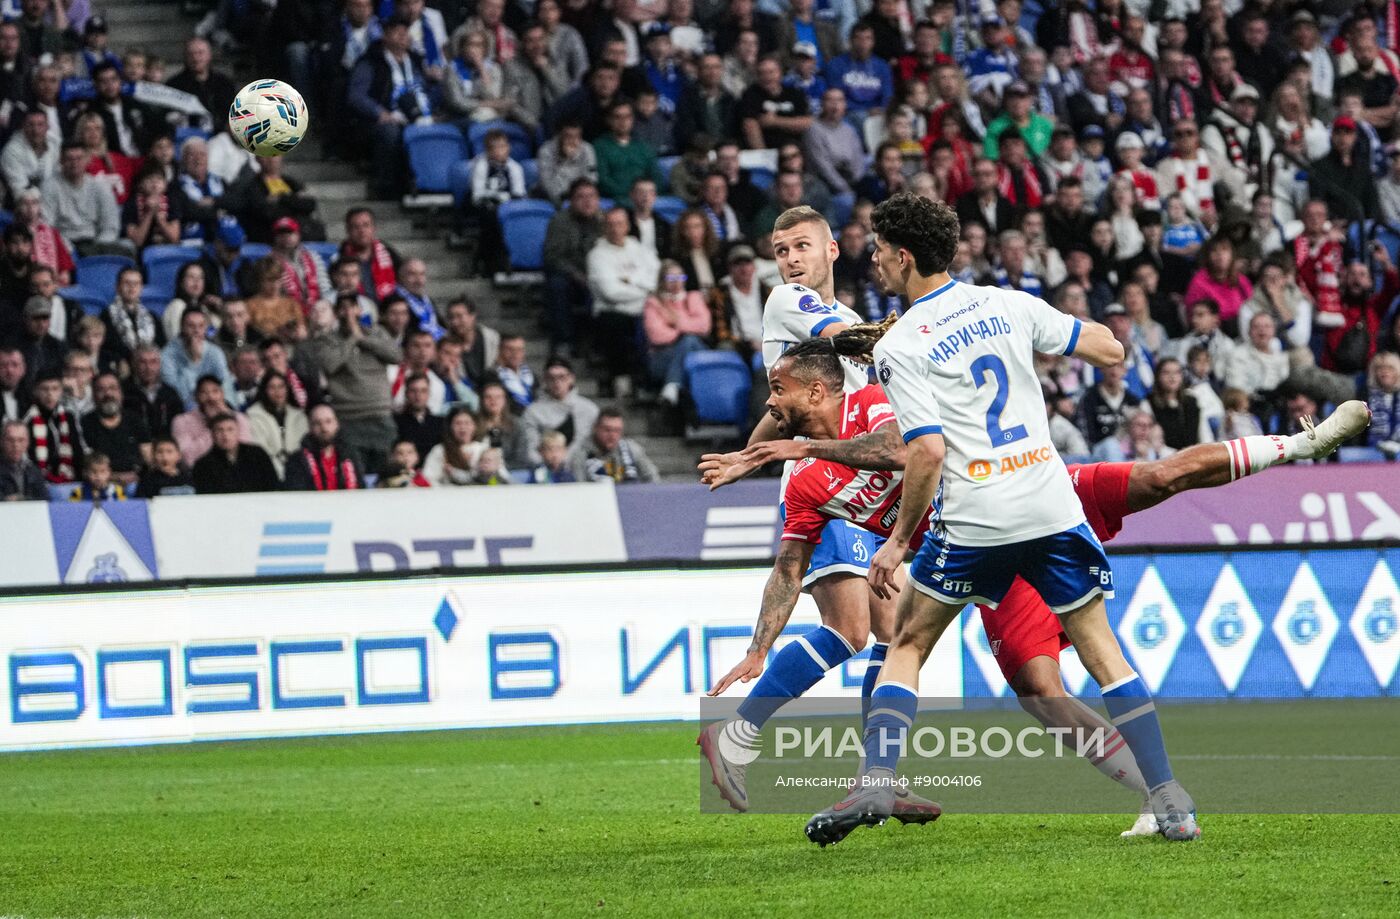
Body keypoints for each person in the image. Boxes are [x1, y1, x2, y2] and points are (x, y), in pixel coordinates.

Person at [790, 194, 1208, 845]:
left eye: (876, 251)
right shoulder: (1007, 302)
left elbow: (925, 451)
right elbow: (1106, 348)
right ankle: (1169, 796)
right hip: (1048, 504)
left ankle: (876, 776)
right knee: (1103, 651)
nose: (873, 262)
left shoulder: (901, 342)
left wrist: (899, 539)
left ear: (903, 256)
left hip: (978, 516)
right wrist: (1095, 340)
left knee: (906, 644)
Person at [302, 293, 401, 474]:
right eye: (342, 308)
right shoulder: (327, 340)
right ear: (336, 313)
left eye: (352, 307)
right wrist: (352, 339)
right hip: (348, 417)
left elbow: (396, 356)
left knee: (387, 471)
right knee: (355, 471)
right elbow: (330, 365)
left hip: (379, 414)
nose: (348, 312)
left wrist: (362, 338)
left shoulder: (377, 332)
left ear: (360, 310)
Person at [587, 206, 660, 395]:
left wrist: (629, 281)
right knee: (616, 324)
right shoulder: (597, 255)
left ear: (627, 226)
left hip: (646, 309)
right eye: (610, 224)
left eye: (619, 224)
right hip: (613, 312)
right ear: (604, 228)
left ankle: (655, 381)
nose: (615, 229)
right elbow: (610, 293)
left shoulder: (641, 250)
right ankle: (622, 379)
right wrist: (644, 290)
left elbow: (657, 279)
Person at [543, 178, 603, 358]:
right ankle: (564, 341)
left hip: (598, 274)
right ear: (572, 200)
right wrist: (576, 275)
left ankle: (598, 344)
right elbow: (553, 257)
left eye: (592, 196)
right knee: (557, 285)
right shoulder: (560, 221)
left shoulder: (605, 221)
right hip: (569, 276)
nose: (587, 201)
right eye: (581, 197)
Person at [643, 259, 711, 405]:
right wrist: (685, 329)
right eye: (671, 278)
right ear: (662, 281)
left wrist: (676, 323)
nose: (677, 282)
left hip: (694, 352)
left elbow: (704, 326)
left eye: (680, 277)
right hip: (663, 356)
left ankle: (672, 386)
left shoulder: (693, 297)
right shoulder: (653, 303)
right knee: (688, 340)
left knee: (689, 341)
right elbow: (657, 336)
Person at [41, 142, 122, 256]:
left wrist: (98, 247)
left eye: (79, 158)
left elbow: (111, 226)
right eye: (69, 159)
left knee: (128, 248)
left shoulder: (99, 187)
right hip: (64, 243)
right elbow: (47, 224)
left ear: (87, 160)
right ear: (61, 160)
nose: (74, 163)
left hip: (95, 242)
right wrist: (67, 248)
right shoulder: (50, 186)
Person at [519, 357, 598, 465]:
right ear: (545, 380)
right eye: (551, 378)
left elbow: (587, 445)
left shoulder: (589, 410)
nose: (557, 382)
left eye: (562, 377)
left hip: (582, 469)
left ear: (571, 378)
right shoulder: (532, 412)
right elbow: (531, 448)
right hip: (544, 471)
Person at [80, 372, 151, 486]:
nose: (108, 394)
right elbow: (85, 462)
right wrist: (114, 477)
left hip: (137, 483)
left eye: (113, 388)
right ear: (93, 395)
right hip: (99, 483)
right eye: (101, 390)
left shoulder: (135, 420)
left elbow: (148, 457)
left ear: (121, 392)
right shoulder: (85, 423)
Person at [172, 374, 253, 467]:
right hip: (200, 475)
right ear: (196, 397)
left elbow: (245, 453)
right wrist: (213, 426)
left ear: (222, 394)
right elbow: (188, 458)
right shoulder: (182, 421)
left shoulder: (239, 418)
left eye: (215, 391)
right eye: (204, 392)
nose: (211, 397)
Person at [160, 309, 232, 409]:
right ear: (182, 328)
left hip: (214, 407)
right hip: (183, 410)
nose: (196, 331)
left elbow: (226, 386)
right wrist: (194, 361)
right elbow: (177, 395)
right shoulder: (167, 354)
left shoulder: (215, 352)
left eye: (201, 326)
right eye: (191, 326)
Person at [192, 413, 279, 494]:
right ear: (212, 434)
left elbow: (272, 484)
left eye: (230, 429)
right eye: (219, 430)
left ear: (238, 432)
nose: (225, 435)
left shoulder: (257, 454)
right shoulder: (203, 465)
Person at [283, 404, 364, 491]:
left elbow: (361, 489)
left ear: (336, 424)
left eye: (328, 421)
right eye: (317, 423)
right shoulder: (297, 460)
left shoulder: (350, 455)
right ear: (310, 427)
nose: (324, 428)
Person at [22, 369, 83, 483]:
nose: (50, 394)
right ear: (36, 391)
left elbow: (78, 452)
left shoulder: (69, 418)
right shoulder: (28, 419)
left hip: (69, 481)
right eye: (45, 389)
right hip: (38, 482)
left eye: (55, 389)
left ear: (61, 391)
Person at [568, 408, 659, 483]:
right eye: (607, 430)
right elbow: (579, 487)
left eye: (617, 430)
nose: (612, 435)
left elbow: (652, 477)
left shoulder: (631, 449)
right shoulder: (580, 454)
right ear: (595, 428)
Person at [246, 371, 308, 479]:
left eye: (281, 386)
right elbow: (260, 450)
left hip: (298, 470)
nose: (277, 391)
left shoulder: (299, 416)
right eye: (272, 387)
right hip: (266, 471)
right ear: (265, 390)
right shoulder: (254, 415)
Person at [123, 344, 183, 440]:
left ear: (159, 364)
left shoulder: (170, 394)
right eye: (143, 362)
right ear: (133, 364)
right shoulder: (123, 392)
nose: (148, 368)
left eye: (153, 362)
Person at [422, 405, 484, 485]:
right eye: (458, 423)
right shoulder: (440, 450)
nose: (463, 427)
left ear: (474, 426)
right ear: (450, 427)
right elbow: (428, 479)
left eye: (467, 423)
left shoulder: (483, 449)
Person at [477, 380, 529, 469]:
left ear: (505, 400)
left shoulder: (516, 424)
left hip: (510, 472)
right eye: (488, 397)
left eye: (498, 397)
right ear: (482, 400)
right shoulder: (473, 423)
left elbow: (521, 458)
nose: (493, 400)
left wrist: (499, 467)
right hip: (479, 471)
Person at [393, 371, 443, 464]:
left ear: (429, 394)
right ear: (406, 393)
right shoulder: (395, 422)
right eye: (414, 391)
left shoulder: (440, 423)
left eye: (423, 391)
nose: (418, 395)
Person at [0, 418, 47, 499]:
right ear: (2, 442)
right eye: (10, 440)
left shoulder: (34, 471)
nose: (16, 445)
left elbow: (45, 501)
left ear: (27, 442)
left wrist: (22, 500)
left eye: (21, 440)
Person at [493, 333, 535, 411]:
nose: (515, 354)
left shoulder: (532, 376)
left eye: (519, 350)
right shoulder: (492, 377)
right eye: (510, 349)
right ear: (500, 351)